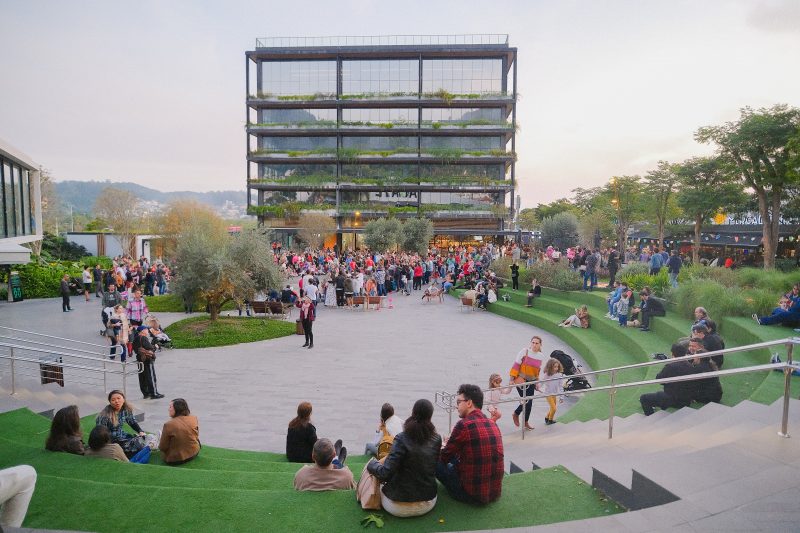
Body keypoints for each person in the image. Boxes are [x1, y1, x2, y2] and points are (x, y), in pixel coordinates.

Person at [366, 399, 442, 517]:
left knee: (378, 469)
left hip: (396, 506)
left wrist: (371, 464)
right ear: (430, 416)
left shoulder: (401, 438)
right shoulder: (437, 439)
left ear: (413, 413)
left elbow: (384, 473)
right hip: (428, 503)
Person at [436, 384, 504, 504]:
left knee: (433, 459)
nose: (456, 406)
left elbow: (444, 457)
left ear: (469, 403)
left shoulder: (464, 425)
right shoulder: (493, 424)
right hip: (494, 493)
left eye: (458, 402)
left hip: (471, 495)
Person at [639, 343, 697, 416]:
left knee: (644, 398)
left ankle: (649, 416)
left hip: (673, 399)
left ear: (672, 354)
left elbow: (659, 379)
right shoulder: (690, 366)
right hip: (686, 399)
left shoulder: (671, 366)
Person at [96, 390, 149, 458]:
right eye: (113, 400)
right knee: (136, 446)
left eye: (119, 398)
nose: (116, 401)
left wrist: (140, 431)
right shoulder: (104, 416)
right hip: (110, 440)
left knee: (140, 439)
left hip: (121, 435)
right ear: (110, 402)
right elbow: (101, 434)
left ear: (123, 399)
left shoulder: (125, 409)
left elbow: (132, 421)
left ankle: (148, 441)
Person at [509, 336, 546, 430]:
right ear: (530, 343)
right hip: (521, 380)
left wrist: (537, 383)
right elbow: (516, 364)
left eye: (536, 343)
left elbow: (537, 371)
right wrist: (511, 378)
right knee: (527, 401)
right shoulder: (524, 351)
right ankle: (516, 414)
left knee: (529, 403)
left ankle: (525, 422)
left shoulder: (541, 356)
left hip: (532, 381)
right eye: (533, 342)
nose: (534, 345)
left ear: (540, 345)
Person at [159, 398, 201, 465]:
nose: (168, 409)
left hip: (175, 459)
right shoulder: (194, 418)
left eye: (170, 407)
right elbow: (196, 436)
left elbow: (162, 447)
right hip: (195, 452)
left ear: (177, 409)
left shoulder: (168, 425)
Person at [85, 425, 149, 463]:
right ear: (106, 438)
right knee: (146, 451)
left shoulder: (87, 452)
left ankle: (148, 444)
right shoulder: (114, 448)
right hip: (127, 466)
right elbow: (128, 463)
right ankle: (150, 445)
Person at [132, 326, 163, 399]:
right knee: (151, 376)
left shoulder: (136, 338)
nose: (147, 331)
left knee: (142, 377)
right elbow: (150, 349)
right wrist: (156, 346)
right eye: (146, 329)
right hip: (147, 360)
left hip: (140, 359)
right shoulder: (143, 338)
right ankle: (154, 393)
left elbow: (136, 350)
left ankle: (146, 393)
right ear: (142, 331)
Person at [540, 358, 565, 425]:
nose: (556, 368)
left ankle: (547, 417)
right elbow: (541, 382)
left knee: (552, 407)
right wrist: (538, 387)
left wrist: (561, 397)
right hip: (548, 394)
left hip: (554, 394)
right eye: (554, 367)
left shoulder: (559, 375)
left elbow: (560, 386)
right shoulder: (547, 375)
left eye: (557, 367)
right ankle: (550, 420)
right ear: (550, 367)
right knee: (554, 408)